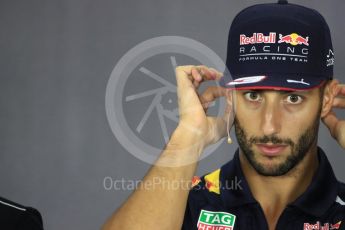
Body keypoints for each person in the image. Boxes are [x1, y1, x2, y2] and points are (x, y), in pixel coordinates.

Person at [102, 0, 345, 229]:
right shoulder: (186, 204)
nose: (269, 126)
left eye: (293, 98)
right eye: (253, 96)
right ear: (230, 97)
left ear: (325, 100)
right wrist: (188, 138)